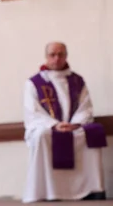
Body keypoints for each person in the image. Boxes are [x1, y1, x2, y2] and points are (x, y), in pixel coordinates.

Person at [22, 42, 107, 203]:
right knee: (42, 135)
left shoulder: (77, 81)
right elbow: (33, 111)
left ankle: (91, 190)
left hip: (73, 126)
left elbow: (85, 106)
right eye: (52, 54)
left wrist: (74, 124)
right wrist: (54, 125)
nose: (57, 58)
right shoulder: (34, 83)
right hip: (47, 127)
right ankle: (49, 192)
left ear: (66, 56)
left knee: (93, 132)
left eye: (61, 54)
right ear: (46, 57)